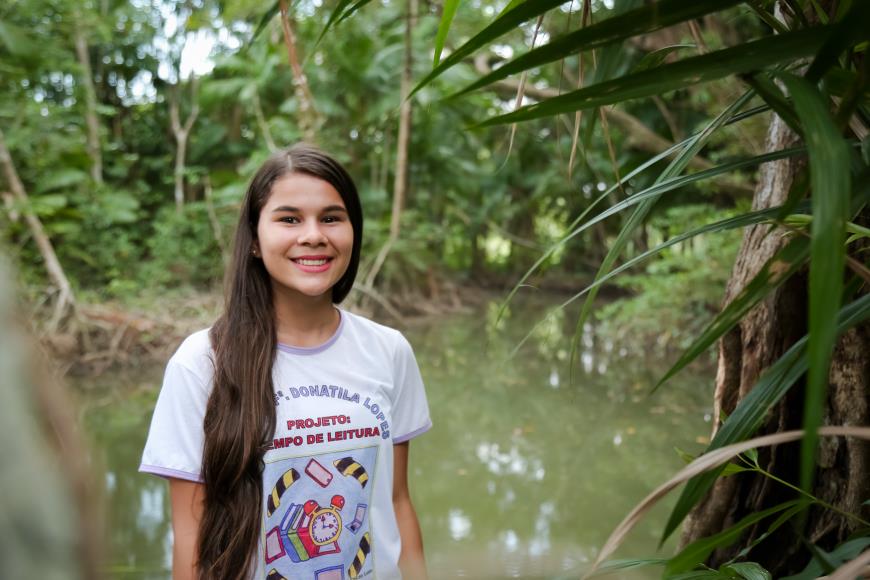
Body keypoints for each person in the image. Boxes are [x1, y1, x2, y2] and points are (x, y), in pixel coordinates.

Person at [139, 144, 431, 580]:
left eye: (331, 218)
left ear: (353, 232)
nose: (313, 235)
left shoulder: (389, 350)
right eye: (289, 219)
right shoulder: (201, 363)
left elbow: (396, 501)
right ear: (255, 240)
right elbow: (190, 535)